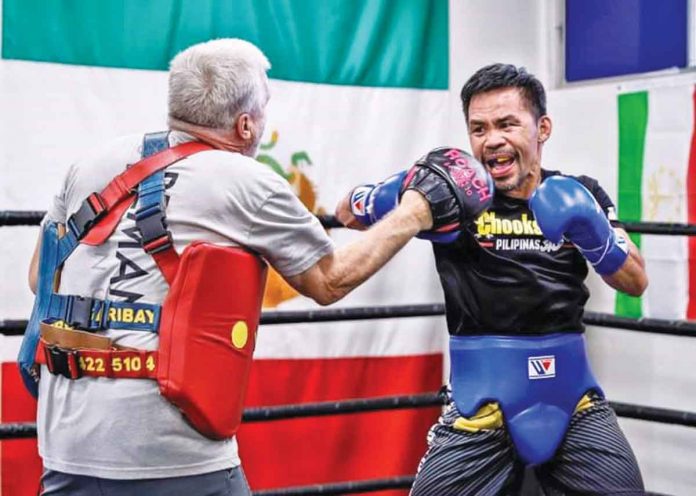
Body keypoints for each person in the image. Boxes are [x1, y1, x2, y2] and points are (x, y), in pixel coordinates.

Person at [23, 39, 492, 496]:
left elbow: (38, 278)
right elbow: (329, 281)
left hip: (65, 444)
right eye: (264, 107)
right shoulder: (246, 181)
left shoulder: (90, 164)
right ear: (245, 125)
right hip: (168, 452)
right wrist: (417, 210)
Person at [336, 63, 648, 495]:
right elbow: (345, 213)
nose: (492, 140)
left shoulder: (582, 193)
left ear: (542, 128)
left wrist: (594, 232)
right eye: (478, 129)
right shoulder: (452, 199)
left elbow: (635, 281)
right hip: (479, 405)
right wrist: (394, 193)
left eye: (507, 124)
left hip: (574, 401)